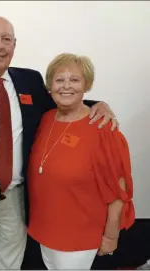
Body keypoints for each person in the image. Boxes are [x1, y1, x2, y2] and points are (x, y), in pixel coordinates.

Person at [0, 16, 118, 270]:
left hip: (17, 197)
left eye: (6, 39)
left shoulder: (30, 81)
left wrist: (96, 105)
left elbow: (63, 101)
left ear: (14, 45)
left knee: (9, 264)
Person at [27, 53, 135, 269]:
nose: (66, 86)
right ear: (49, 86)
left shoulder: (103, 129)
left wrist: (111, 236)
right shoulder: (46, 119)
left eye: (74, 80)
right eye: (59, 80)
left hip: (80, 236)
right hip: (45, 230)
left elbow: (118, 190)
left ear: (86, 85)